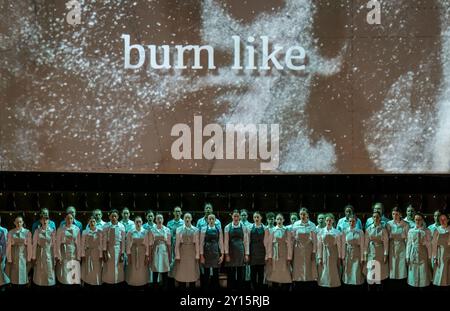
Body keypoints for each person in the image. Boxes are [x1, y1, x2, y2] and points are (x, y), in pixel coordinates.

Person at [291, 208, 317, 290]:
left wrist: (314, 251)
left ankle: (308, 283)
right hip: (298, 248)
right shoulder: (295, 224)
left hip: (309, 248)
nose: (302, 216)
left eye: (304, 214)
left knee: (308, 266)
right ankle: (298, 283)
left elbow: (315, 240)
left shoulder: (312, 225)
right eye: (301, 214)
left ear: (307, 215)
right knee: (298, 267)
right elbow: (292, 238)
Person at [265, 213, 292, 290]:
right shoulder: (273, 230)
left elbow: (289, 245)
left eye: (280, 219)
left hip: (284, 254)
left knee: (284, 274)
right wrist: (269, 256)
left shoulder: (286, 230)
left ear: (283, 220)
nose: (279, 221)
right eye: (277, 219)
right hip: (275, 254)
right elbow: (269, 244)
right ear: (275, 220)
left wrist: (289, 257)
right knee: (275, 274)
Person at [224, 210, 249, 290]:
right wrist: (227, 254)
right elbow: (226, 242)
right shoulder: (227, 227)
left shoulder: (244, 227)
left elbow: (246, 241)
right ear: (232, 216)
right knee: (231, 272)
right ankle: (231, 288)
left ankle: (240, 288)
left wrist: (246, 254)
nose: (236, 218)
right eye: (234, 216)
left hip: (240, 252)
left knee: (240, 272)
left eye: (237, 216)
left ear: (240, 217)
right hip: (231, 252)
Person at [174, 213, 200, 289]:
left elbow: (197, 244)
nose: (187, 219)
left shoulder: (195, 229)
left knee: (192, 272)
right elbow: (177, 244)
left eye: (189, 217)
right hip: (182, 253)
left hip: (192, 252)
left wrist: (197, 255)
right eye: (186, 218)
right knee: (182, 272)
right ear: (184, 219)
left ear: (191, 219)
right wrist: (177, 255)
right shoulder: (179, 229)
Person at [406, 212, 431, 289]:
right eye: (416, 219)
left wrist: (429, 256)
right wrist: (407, 256)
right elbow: (409, 244)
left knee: (423, 272)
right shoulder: (411, 231)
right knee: (413, 272)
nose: (418, 221)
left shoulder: (427, 231)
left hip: (423, 252)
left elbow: (429, 244)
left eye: (419, 219)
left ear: (422, 220)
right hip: (413, 253)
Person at [386, 206, 409, 290]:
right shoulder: (389, 224)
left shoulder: (405, 224)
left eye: (397, 214)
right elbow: (387, 237)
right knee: (393, 268)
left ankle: (401, 285)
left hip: (402, 247)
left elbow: (407, 238)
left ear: (400, 214)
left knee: (401, 268)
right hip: (392, 247)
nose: (395, 216)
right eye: (393, 214)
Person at [317, 214, 342, 289]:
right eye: (327, 220)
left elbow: (339, 246)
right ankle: (324, 284)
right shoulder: (321, 231)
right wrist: (319, 257)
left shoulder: (337, 232)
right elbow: (319, 245)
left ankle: (333, 284)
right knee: (324, 269)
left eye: (330, 220)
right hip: (324, 252)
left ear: (333, 221)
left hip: (333, 252)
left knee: (333, 269)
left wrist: (339, 256)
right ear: (325, 221)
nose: (328, 222)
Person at [365, 211, 389, 290]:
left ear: (380, 218)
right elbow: (366, 243)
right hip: (371, 252)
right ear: (372, 218)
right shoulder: (369, 228)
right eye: (374, 217)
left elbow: (386, 243)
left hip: (380, 252)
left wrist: (385, 255)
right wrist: (365, 254)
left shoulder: (383, 229)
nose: (376, 218)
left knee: (379, 274)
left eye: (377, 217)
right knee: (371, 273)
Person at [55, 213, 81, 286]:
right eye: (67, 218)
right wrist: (59, 256)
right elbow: (58, 244)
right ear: (65, 219)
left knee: (73, 274)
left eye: (71, 218)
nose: (69, 220)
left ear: (73, 219)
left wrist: (78, 256)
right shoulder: (60, 229)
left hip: (73, 252)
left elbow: (78, 244)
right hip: (64, 252)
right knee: (64, 274)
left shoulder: (77, 229)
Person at [199, 214, 223, 291]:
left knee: (216, 272)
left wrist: (222, 255)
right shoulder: (203, 229)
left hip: (215, 251)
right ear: (207, 220)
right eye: (210, 219)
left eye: (213, 219)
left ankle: (215, 288)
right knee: (206, 272)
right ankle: (206, 289)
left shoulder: (218, 229)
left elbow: (221, 242)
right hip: (207, 252)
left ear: (215, 220)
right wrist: (201, 255)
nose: (211, 220)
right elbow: (201, 243)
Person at [6, 215, 32, 288]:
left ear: (22, 222)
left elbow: (29, 246)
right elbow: (8, 247)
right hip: (14, 254)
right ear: (14, 223)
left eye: (20, 222)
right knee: (14, 276)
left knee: (23, 275)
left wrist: (29, 258)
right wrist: (9, 258)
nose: (18, 223)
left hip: (23, 254)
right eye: (17, 222)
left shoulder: (27, 232)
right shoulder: (11, 232)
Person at [102, 209, 126, 287]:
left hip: (118, 249)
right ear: (109, 217)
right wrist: (105, 251)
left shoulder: (121, 226)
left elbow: (122, 241)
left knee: (118, 267)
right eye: (112, 216)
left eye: (115, 216)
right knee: (108, 267)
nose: (114, 218)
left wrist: (122, 253)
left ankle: (117, 283)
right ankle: (109, 283)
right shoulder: (106, 226)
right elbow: (104, 239)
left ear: (118, 217)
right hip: (109, 249)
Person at [32, 215, 56, 287]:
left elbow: (54, 245)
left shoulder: (52, 231)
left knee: (49, 273)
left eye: (46, 219)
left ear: (49, 221)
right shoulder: (37, 231)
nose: (45, 221)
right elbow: (34, 245)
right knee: (40, 273)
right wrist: (33, 257)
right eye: (43, 219)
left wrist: (55, 257)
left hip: (49, 253)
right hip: (40, 253)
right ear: (40, 221)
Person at [148, 213, 171, 291]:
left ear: (163, 220)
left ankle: (165, 287)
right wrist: (150, 256)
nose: (159, 220)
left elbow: (169, 244)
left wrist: (170, 255)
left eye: (161, 218)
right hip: (155, 251)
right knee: (155, 271)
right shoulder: (152, 230)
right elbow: (150, 244)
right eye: (158, 218)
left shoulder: (167, 230)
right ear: (155, 220)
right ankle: (155, 287)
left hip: (164, 251)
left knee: (164, 271)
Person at [342, 215, 365, 289]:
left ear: (356, 222)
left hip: (357, 252)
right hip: (348, 252)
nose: (352, 223)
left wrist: (362, 258)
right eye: (350, 221)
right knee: (348, 271)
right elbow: (343, 245)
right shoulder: (345, 231)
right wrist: (343, 257)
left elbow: (362, 246)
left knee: (356, 271)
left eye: (353, 221)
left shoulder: (360, 232)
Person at [125, 216, 148, 288]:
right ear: (134, 223)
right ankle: (133, 283)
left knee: (142, 268)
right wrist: (128, 255)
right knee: (133, 268)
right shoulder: (130, 232)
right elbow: (128, 244)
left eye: (139, 222)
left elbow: (147, 245)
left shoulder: (145, 232)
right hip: (133, 252)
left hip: (142, 253)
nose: (138, 223)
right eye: (137, 222)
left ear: (142, 222)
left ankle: (142, 283)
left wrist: (147, 256)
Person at [81, 216, 103, 287]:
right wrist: (83, 255)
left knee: (96, 270)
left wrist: (100, 255)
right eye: (91, 221)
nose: (92, 223)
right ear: (88, 223)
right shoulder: (85, 232)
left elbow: (101, 244)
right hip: (88, 253)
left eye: (94, 221)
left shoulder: (100, 232)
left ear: (96, 223)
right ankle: (88, 283)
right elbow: (82, 244)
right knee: (88, 270)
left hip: (97, 253)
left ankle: (96, 283)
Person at [248, 211, 267, 291]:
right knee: (253, 274)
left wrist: (267, 255)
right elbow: (248, 242)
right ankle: (253, 289)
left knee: (261, 274)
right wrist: (248, 253)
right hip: (253, 253)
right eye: (255, 217)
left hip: (262, 253)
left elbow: (267, 243)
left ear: (261, 218)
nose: (256, 219)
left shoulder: (265, 228)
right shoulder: (250, 228)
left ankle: (260, 289)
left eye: (257, 217)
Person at [167, 206, 184, 287]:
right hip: (172, 246)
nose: (177, 213)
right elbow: (168, 237)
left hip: (181, 247)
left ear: (181, 213)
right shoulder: (169, 223)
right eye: (176, 211)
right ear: (173, 213)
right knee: (171, 265)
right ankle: (171, 286)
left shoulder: (184, 223)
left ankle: (181, 285)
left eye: (179, 211)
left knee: (180, 266)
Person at [432, 213, 450, 287]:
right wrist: (435, 256)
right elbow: (434, 245)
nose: (442, 221)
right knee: (439, 274)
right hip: (440, 254)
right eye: (440, 219)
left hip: (448, 253)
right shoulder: (437, 230)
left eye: (444, 219)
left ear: (448, 220)